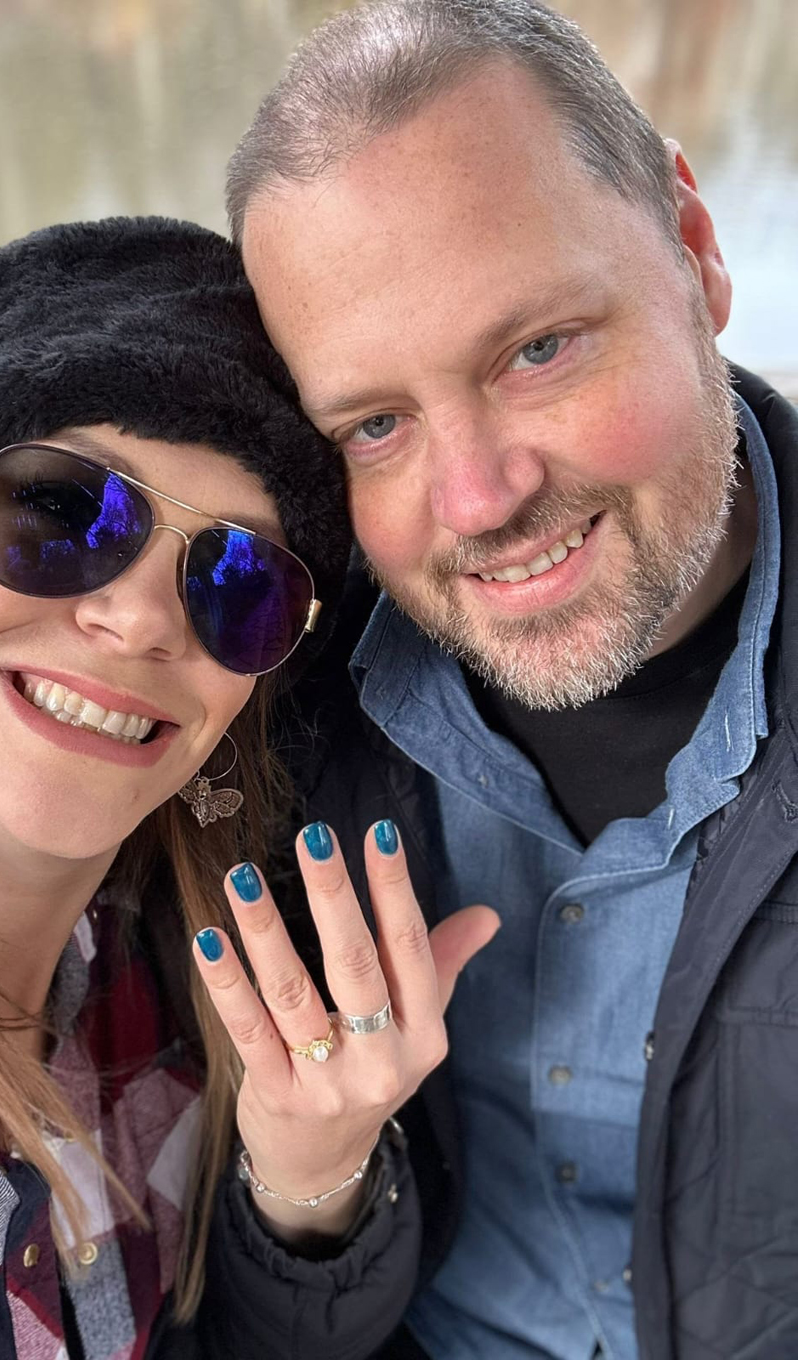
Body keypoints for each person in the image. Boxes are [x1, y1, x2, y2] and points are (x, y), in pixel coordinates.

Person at [0, 215, 499, 1360]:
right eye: (60, 508)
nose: (139, 620)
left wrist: (307, 1185)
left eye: (239, 578)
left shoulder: (208, 987)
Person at [228, 2, 798, 1357]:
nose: (478, 499)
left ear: (696, 251)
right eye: (376, 424)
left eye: (537, 349)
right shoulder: (265, 708)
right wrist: (308, 1190)